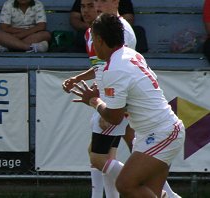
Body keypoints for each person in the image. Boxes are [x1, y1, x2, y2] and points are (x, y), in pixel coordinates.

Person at [70, 13, 185, 197]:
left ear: (99, 39)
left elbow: (114, 118)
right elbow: (104, 72)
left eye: (93, 40)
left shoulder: (115, 68)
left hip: (162, 133)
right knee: (149, 192)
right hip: (154, 132)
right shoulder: (129, 54)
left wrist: (94, 101)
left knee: (125, 184)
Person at [64, 0, 136, 197]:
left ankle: (143, 185)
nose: (90, 9)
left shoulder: (121, 30)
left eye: (95, 3)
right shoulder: (94, 31)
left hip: (115, 101)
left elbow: (118, 69)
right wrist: (79, 78)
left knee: (99, 157)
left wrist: (109, 107)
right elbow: (102, 66)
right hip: (109, 99)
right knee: (107, 155)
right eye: (85, 5)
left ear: (115, 2)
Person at [70, 0, 135, 52]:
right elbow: (101, 66)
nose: (98, 5)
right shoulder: (91, 31)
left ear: (116, 2)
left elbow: (119, 65)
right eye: (96, 1)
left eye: (103, 0)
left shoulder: (123, 30)